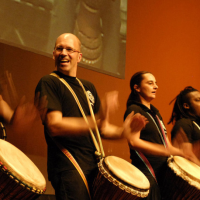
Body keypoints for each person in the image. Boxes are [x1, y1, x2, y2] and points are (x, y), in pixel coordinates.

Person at [35, 33, 146, 200]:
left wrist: (125, 132)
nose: (64, 53)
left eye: (69, 49)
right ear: (53, 54)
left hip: (94, 166)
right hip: (69, 166)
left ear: (79, 57)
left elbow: (101, 128)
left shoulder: (88, 87)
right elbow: (54, 125)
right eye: (60, 49)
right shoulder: (49, 82)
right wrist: (100, 119)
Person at [124, 71, 187, 200]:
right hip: (146, 174)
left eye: (156, 83)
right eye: (150, 83)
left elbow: (167, 145)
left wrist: (184, 152)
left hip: (162, 174)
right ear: (137, 88)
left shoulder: (156, 114)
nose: (156, 86)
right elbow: (134, 142)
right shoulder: (134, 109)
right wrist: (163, 150)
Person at [168, 86, 200, 165]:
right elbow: (187, 156)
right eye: (198, 100)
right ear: (186, 106)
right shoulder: (184, 123)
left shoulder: (196, 124)